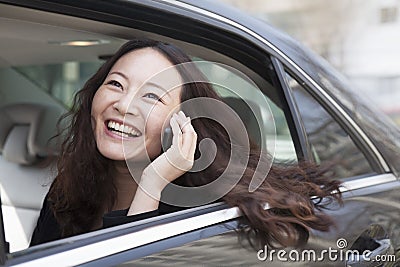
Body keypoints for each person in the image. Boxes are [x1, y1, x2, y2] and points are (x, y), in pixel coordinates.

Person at [30, 39, 341, 249]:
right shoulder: (66, 191)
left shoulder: (209, 217)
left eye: (151, 96)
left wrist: (151, 184)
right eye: (115, 84)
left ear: (183, 124)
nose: (124, 105)